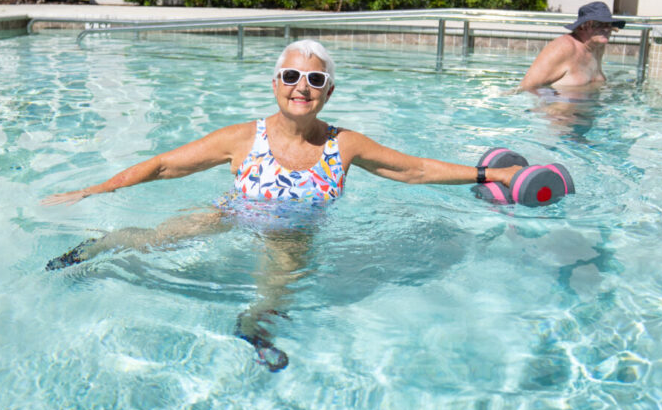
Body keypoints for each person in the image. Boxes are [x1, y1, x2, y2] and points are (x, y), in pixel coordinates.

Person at [42, 39, 523, 371]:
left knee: (276, 289)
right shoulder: (241, 138)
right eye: (291, 75)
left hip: (294, 231)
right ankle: (88, 251)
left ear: (328, 91)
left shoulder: (345, 145)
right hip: (233, 212)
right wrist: (92, 192)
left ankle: (251, 332)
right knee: (154, 240)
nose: (302, 86)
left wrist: (491, 174)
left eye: (315, 78)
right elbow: (165, 165)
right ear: (275, 83)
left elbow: (413, 170)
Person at [517, 1, 626, 92]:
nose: (606, 29)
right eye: (599, 24)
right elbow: (526, 86)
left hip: (587, 113)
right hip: (559, 115)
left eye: (608, 24)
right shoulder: (563, 48)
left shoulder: (597, 47)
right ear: (582, 27)